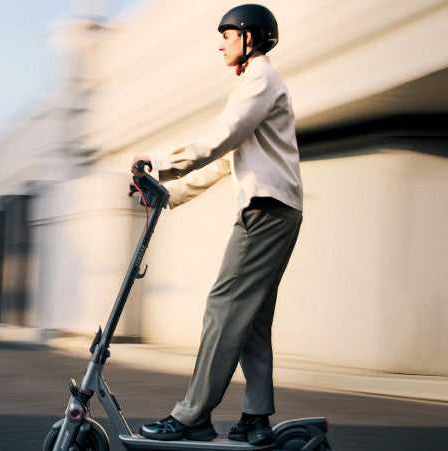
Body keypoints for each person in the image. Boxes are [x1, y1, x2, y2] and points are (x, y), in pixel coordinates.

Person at [132, 4, 303, 445]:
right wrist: (171, 192)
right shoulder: (256, 84)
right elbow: (228, 158)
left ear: (250, 38)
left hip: (266, 211)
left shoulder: (260, 79)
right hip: (275, 210)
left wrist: (160, 160)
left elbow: (220, 137)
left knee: (223, 308)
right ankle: (255, 419)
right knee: (251, 318)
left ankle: (192, 416)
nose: (220, 43)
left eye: (227, 35)